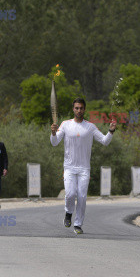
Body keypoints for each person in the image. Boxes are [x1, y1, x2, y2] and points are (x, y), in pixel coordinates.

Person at [51, 98, 116, 234]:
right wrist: (52, 133)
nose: (79, 110)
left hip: (84, 168)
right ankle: (68, 213)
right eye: (76, 108)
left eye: (81, 108)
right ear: (73, 109)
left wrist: (110, 131)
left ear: (84, 109)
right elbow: (55, 142)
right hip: (69, 167)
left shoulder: (90, 127)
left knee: (81, 196)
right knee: (70, 194)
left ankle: (78, 224)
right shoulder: (65, 125)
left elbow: (104, 141)